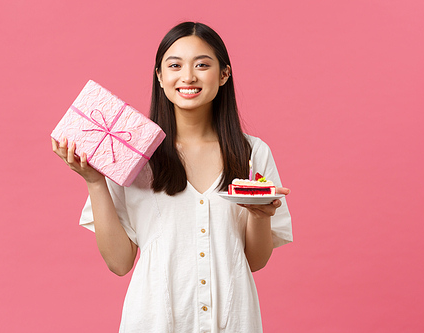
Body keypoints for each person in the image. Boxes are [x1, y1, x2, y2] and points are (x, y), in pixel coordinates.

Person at [52, 21, 292, 333]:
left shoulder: (252, 153)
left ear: (223, 75)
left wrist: (260, 214)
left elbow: (255, 261)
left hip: (234, 321)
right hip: (152, 321)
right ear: (160, 76)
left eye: (202, 65)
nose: (188, 76)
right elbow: (120, 263)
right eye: (175, 65)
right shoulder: (130, 153)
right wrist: (95, 181)